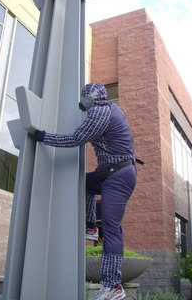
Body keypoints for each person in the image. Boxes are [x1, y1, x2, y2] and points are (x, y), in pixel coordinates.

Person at [34, 82, 139, 300]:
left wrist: (44, 137)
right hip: (110, 172)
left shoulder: (100, 113)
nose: (83, 104)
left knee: (111, 228)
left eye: (85, 100)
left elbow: (76, 139)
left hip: (117, 176)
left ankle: (112, 286)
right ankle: (90, 226)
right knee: (83, 184)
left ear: (90, 98)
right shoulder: (111, 108)